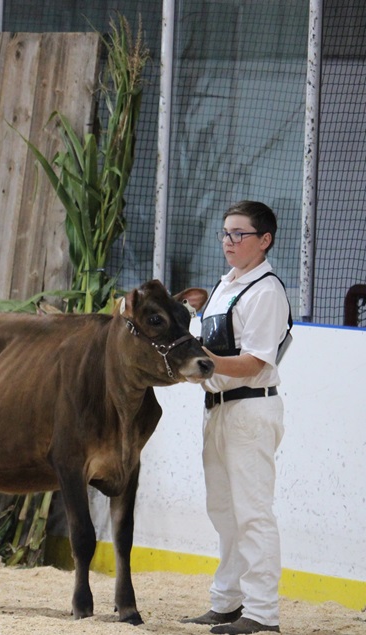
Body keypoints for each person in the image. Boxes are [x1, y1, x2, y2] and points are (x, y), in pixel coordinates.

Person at [181, 201, 291, 634]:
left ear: (264, 241)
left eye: (238, 234)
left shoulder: (267, 290)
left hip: (251, 409)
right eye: (225, 233)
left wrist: (201, 360)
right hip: (218, 409)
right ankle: (227, 602)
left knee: (253, 514)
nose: (228, 242)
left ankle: (263, 614)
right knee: (223, 510)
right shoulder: (226, 284)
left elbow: (254, 363)